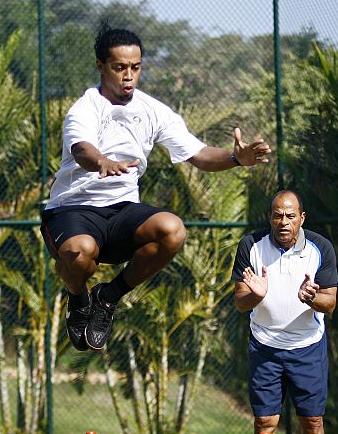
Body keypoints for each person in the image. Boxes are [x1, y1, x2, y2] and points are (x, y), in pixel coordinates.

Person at [42, 22, 271, 352]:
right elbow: (81, 150)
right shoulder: (86, 107)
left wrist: (236, 158)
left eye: (135, 67)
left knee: (172, 230)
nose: (129, 76)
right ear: (101, 66)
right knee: (80, 254)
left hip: (121, 211)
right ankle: (78, 300)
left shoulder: (152, 110)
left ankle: (108, 297)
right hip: (73, 210)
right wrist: (101, 161)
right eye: (120, 67)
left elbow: (200, 155)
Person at [232, 190, 338, 434]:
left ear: (301, 219)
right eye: (278, 215)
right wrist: (257, 295)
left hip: (307, 347)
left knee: (312, 421)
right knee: (264, 422)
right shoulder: (251, 246)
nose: (283, 222)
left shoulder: (320, 248)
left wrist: (312, 298)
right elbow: (240, 302)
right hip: (264, 346)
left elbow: (330, 303)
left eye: (290, 216)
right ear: (270, 217)